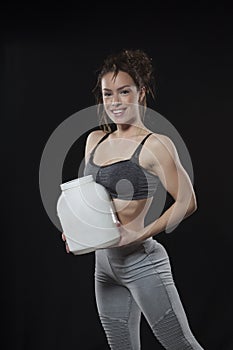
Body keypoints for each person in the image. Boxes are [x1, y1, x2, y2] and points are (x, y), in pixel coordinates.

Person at [62, 49, 204, 349]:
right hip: (104, 266)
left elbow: (187, 201)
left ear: (141, 92)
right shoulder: (94, 140)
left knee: (180, 344)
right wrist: (76, 230)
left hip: (142, 263)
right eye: (108, 93)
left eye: (124, 91)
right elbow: (91, 199)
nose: (115, 101)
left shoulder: (155, 145)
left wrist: (139, 233)